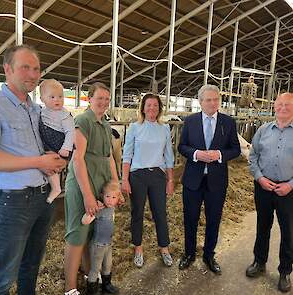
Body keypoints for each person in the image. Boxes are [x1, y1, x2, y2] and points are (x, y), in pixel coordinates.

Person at [0, 45, 66, 295]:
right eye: (25, 67)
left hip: (43, 197)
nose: (32, 74)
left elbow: (51, 145)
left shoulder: (38, 109)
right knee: (4, 273)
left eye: (36, 69)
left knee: (32, 264)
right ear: (7, 69)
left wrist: (57, 157)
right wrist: (39, 162)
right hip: (13, 200)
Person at [178, 84, 240, 274]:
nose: (213, 103)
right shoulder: (190, 121)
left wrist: (219, 155)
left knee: (214, 219)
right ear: (200, 102)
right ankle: (189, 253)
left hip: (217, 181)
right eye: (208, 100)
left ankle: (209, 255)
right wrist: (196, 153)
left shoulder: (228, 122)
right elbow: (182, 146)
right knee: (190, 218)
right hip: (193, 180)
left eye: (216, 100)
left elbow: (235, 149)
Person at [64, 82, 119, 295]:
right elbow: (78, 159)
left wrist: (116, 185)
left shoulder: (105, 124)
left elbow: (109, 158)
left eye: (107, 99)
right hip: (82, 184)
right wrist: (87, 195)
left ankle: (90, 276)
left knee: (91, 234)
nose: (104, 102)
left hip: (101, 183)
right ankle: (70, 288)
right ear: (89, 99)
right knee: (77, 234)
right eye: (100, 98)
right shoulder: (82, 121)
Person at [246, 92, 293, 293]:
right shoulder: (263, 130)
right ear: (274, 107)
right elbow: (253, 155)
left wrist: (291, 184)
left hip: (288, 190)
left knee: (288, 231)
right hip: (264, 187)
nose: (283, 108)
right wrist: (259, 178)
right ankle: (259, 261)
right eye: (280, 104)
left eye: (288, 105)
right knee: (263, 225)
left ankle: (285, 271)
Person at [122, 93, 174, 268]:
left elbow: (168, 155)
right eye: (148, 105)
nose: (152, 108)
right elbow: (127, 155)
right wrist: (125, 179)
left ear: (159, 109)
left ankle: (164, 248)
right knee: (137, 213)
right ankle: (138, 248)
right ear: (143, 108)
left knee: (160, 212)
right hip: (137, 176)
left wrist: (170, 179)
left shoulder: (165, 128)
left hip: (158, 175)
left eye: (155, 105)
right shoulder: (135, 127)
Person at [39, 79, 75, 203]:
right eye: (52, 97)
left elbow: (70, 132)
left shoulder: (64, 115)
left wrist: (66, 147)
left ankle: (56, 188)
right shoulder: (40, 111)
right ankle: (56, 187)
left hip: (60, 145)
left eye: (60, 96)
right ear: (42, 98)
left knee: (54, 164)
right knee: (48, 164)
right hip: (47, 144)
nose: (57, 100)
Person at [82, 181, 121, 295]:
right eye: (107, 196)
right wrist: (92, 211)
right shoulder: (100, 209)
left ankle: (106, 286)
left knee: (108, 265)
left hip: (108, 243)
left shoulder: (112, 209)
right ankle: (92, 291)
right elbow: (84, 221)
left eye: (113, 197)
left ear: (117, 199)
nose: (110, 199)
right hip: (98, 245)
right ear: (102, 196)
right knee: (95, 269)